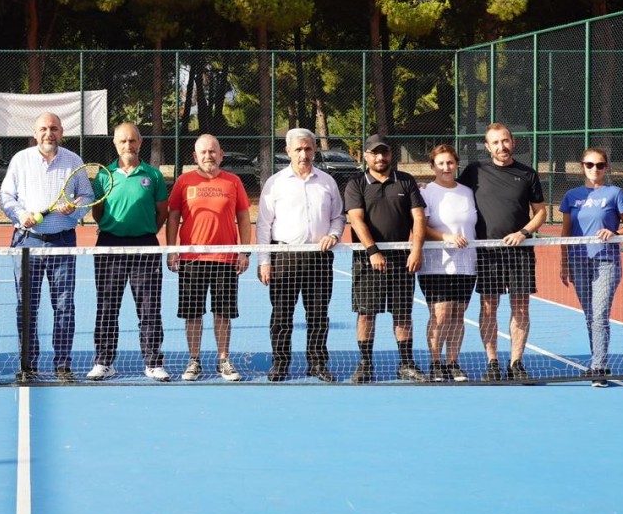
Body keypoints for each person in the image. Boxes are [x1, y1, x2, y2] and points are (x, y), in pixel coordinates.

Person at [0, 112, 91, 383]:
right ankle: (28, 365)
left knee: (64, 305)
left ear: (61, 132)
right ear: (35, 132)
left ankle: (63, 365)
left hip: (62, 242)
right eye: (43, 129)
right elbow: (6, 196)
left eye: (53, 128)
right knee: (26, 306)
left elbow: (87, 195)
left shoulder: (74, 161)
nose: (48, 133)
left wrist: (75, 208)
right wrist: (20, 214)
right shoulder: (20, 159)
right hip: (27, 242)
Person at [256, 128, 345, 382]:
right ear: (288, 151)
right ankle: (280, 364)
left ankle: (317, 363)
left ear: (314, 150)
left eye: (307, 148)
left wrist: (334, 235)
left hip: (319, 257)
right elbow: (263, 225)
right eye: (298, 149)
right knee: (281, 315)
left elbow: (338, 217)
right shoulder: (275, 183)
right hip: (284, 256)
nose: (303, 154)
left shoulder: (327, 182)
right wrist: (264, 261)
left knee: (318, 315)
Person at [458, 123, 546, 381]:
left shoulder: (527, 174)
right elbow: (451, 191)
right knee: (488, 308)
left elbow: (540, 212)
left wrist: (524, 233)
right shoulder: (474, 171)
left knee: (521, 308)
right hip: (487, 253)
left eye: (505, 140)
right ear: (487, 147)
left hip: (520, 252)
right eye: (495, 142)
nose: (501, 146)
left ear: (513, 142)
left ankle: (516, 362)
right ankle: (492, 361)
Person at [165, 134, 251, 382]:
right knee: (193, 313)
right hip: (191, 259)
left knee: (223, 313)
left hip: (225, 258)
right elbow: (173, 217)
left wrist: (244, 251)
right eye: (203, 152)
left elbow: (244, 217)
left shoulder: (234, 181)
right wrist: (171, 250)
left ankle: (223, 360)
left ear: (221, 155)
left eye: (212, 151)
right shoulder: (184, 181)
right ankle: (194, 360)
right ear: (195, 156)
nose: (208, 156)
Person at [89, 123, 171, 381]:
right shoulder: (104, 176)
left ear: (140, 142)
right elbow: (97, 211)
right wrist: (113, 228)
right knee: (107, 306)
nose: (128, 145)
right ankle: (103, 362)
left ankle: (153, 363)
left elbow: (162, 212)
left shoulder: (153, 175)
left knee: (149, 307)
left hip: (145, 246)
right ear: (115, 144)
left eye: (132, 140)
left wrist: (145, 230)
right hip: (109, 246)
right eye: (123, 141)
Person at [344, 135, 427, 383]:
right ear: (366, 156)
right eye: (375, 153)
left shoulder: (406, 181)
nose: (380, 157)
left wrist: (416, 250)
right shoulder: (356, 183)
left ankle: (406, 364)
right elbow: (356, 220)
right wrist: (373, 251)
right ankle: (365, 364)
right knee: (366, 313)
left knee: (402, 313)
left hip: (402, 259)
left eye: (384, 152)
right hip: (367, 260)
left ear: (391, 154)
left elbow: (418, 218)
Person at [559, 147, 623, 387]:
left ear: (606, 167)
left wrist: (614, 232)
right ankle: (597, 361)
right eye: (590, 165)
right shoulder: (571, 196)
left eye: (600, 165)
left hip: (606, 261)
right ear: (582, 167)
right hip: (578, 261)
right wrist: (564, 262)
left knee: (600, 314)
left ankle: (598, 367)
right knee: (590, 315)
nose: (595, 169)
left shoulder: (615, 193)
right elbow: (565, 232)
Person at [418, 144, 477, 383]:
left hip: (466, 264)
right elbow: (421, 227)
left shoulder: (468, 192)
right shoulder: (425, 192)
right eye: (440, 163)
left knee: (458, 314)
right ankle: (435, 364)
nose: (446, 167)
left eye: (450, 163)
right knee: (440, 314)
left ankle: (452, 363)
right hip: (436, 264)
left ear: (457, 164)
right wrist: (446, 237)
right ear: (432, 166)